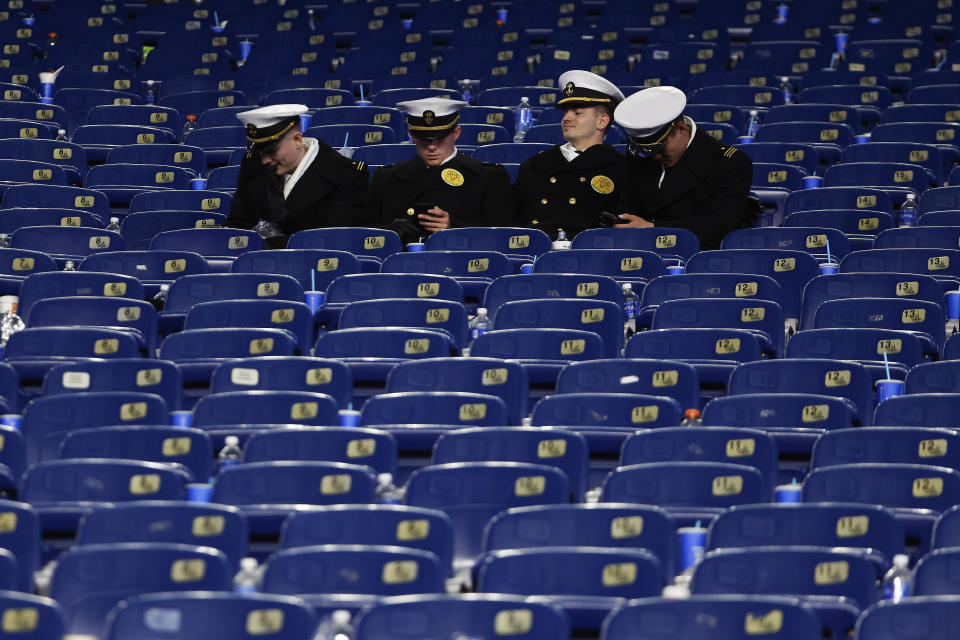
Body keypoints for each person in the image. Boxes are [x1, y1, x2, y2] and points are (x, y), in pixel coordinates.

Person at [613, 86, 755, 250]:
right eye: (647, 150)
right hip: (640, 250)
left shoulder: (731, 163)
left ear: (680, 128)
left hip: (699, 257)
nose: (654, 156)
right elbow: (628, 208)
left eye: (659, 148)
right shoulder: (640, 155)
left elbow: (716, 226)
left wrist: (652, 228)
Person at [366, 98, 515, 243]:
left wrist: (454, 228)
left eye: (440, 138)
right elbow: (364, 232)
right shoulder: (386, 178)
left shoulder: (488, 177)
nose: (432, 146)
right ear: (411, 136)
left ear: (456, 133)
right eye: (424, 138)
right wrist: (388, 232)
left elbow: (503, 236)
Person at [224, 104, 370, 248]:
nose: (265, 160)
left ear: (297, 140)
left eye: (272, 151)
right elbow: (239, 221)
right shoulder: (253, 163)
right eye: (260, 152)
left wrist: (254, 245)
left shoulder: (347, 175)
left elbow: (328, 241)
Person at [514, 69, 627, 239]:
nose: (566, 118)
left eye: (577, 112)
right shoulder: (534, 166)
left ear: (602, 121)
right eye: (565, 111)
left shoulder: (621, 169)